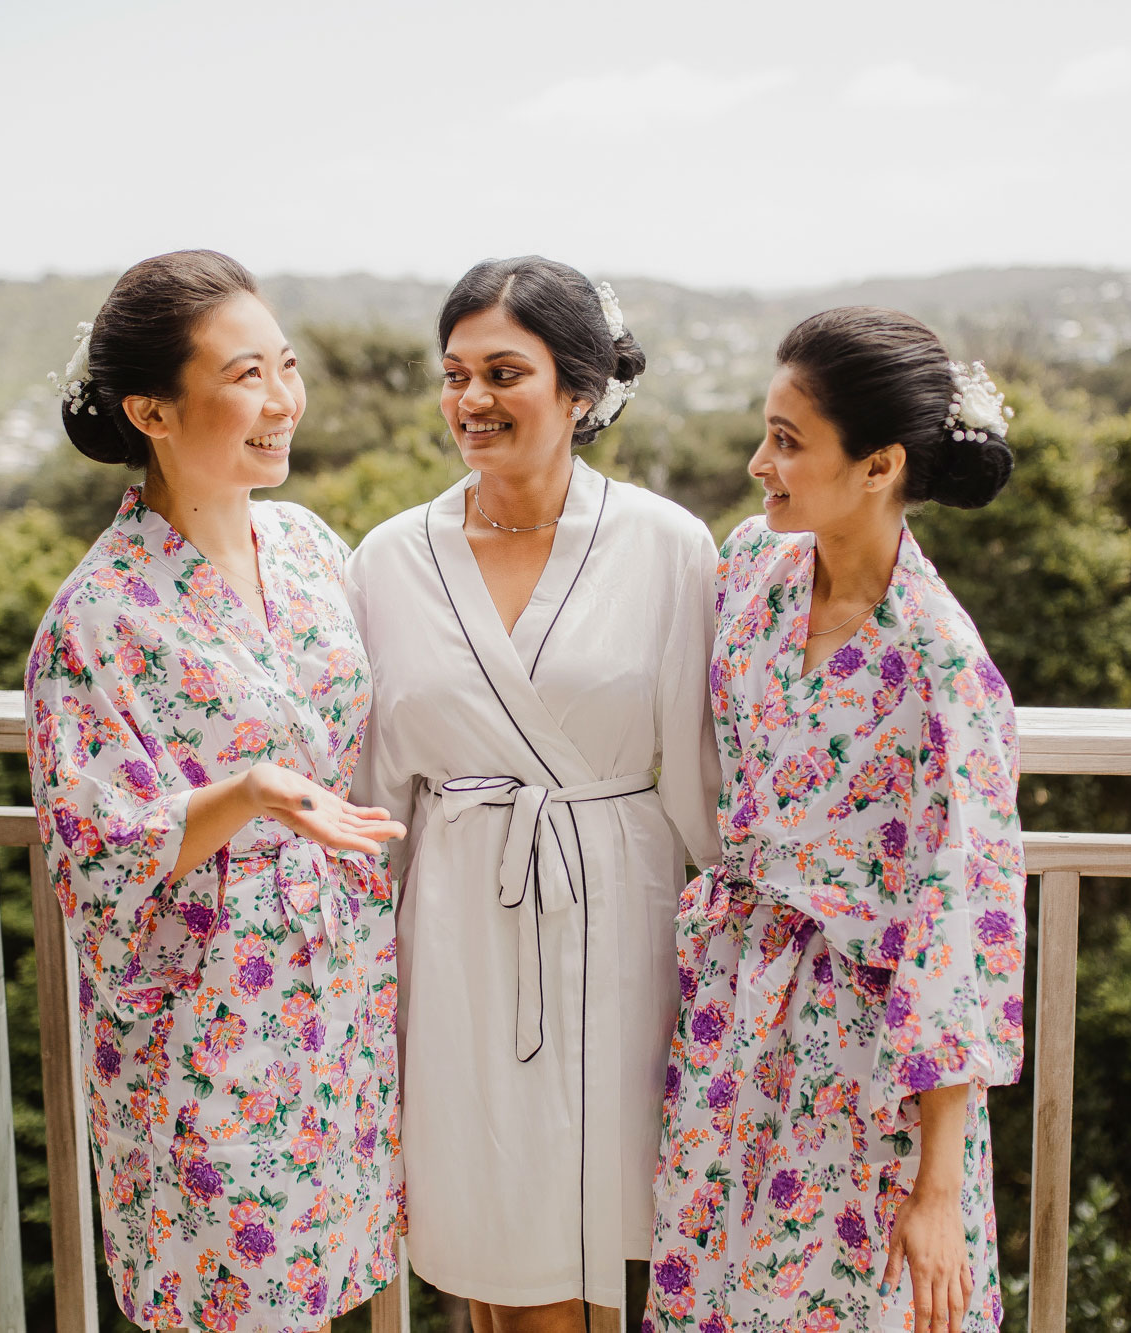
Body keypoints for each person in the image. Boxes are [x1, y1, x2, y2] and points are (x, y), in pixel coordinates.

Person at [24, 250, 406, 1333]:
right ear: (149, 408)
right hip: (203, 1028)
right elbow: (90, 856)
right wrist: (248, 791)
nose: (282, 401)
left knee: (331, 1290)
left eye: (284, 366)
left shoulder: (306, 547)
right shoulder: (96, 617)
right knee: (229, 1303)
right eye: (246, 376)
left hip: (335, 1005)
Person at [346, 257, 722, 1330]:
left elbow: (698, 772)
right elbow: (374, 798)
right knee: (482, 1237)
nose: (470, 400)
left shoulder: (666, 546)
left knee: (588, 1237)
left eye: (503, 372)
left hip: (614, 908)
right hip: (458, 921)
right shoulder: (386, 560)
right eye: (453, 373)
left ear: (581, 388)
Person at [645, 308, 1026, 1333]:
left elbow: (963, 926)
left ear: (877, 466)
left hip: (864, 1061)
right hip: (732, 1012)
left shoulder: (942, 666)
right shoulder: (748, 575)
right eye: (764, 431)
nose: (756, 462)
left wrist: (938, 1190)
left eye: (785, 440)